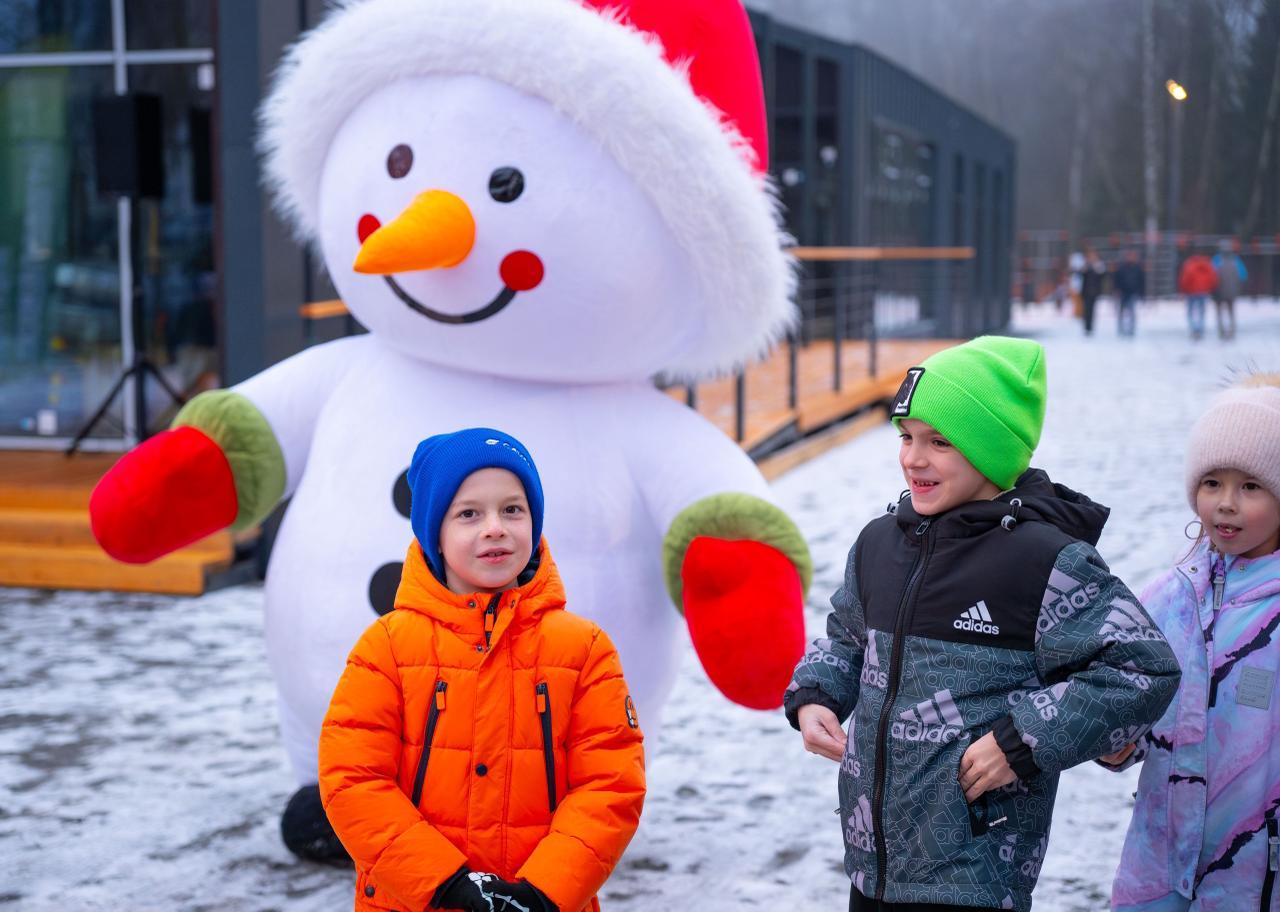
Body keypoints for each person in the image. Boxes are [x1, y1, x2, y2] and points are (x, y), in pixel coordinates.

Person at [784, 337, 1181, 912]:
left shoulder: (1045, 561)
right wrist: (817, 696)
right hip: (874, 864)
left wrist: (1020, 740)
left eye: (939, 442)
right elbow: (848, 637)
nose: (912, 458)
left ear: (991, 451)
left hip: (976, 875)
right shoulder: (878, 543)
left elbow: (1140, 669)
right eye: (907, 437)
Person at [318, 428, 646, 912]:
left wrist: (545, 891)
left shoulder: (583, 649)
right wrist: (445, 883)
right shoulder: (387, 647)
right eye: (469, 513)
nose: (494, 527)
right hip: (416, 901)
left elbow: (611, 782)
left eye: (512, 509)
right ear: (435, 533)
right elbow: (352, 780)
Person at [1104, 375, 1280, 912]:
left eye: (1250, 486)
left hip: (1257, 873)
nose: (1226, 504)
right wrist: (1114, 741)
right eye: (1212, 484)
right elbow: (1122, 705)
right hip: (1157, 865)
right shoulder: (1167, 598)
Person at [1211, 239, 1248, 340]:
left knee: (1219, 312)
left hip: (1218, 291)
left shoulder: (1216, 260)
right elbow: (1243, 275)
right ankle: (1232, 330)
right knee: (1231, 311)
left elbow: (1211, 276)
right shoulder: (1236, 260)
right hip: (1232, 291)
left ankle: (1221, 330)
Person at [1177, 253, 1218, 340]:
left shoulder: (1189, 265)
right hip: (1203, 292)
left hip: (1191, 292)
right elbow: (1213, 278)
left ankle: (1194, 329)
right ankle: (1200, 329)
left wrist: (1183, 290)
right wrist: (1210, 288)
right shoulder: (1207, 265)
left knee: (1191, 312)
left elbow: (1185, 279)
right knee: (1202, 312)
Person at [1113, 249, 1146, 337]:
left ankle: (1131, 329)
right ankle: (1121, 329)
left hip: (1133, 293)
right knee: (1121, 312)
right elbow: (1116, 280)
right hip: (1123, 293)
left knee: (1132, 312)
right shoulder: (1121, 268)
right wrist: (1116, 289)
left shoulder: (1138, 268)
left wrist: (1142, 293)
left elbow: (1142, 281)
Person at [1080, 246, 1107, 336]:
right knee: (1086, 310)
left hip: (1094, 292)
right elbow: (1081, 275)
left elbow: (1103, 276)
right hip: (1086, 292)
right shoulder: (1085, 265)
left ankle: (1090, 327)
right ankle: (1086, 328)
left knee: (1092, 310)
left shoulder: (1098, 265)